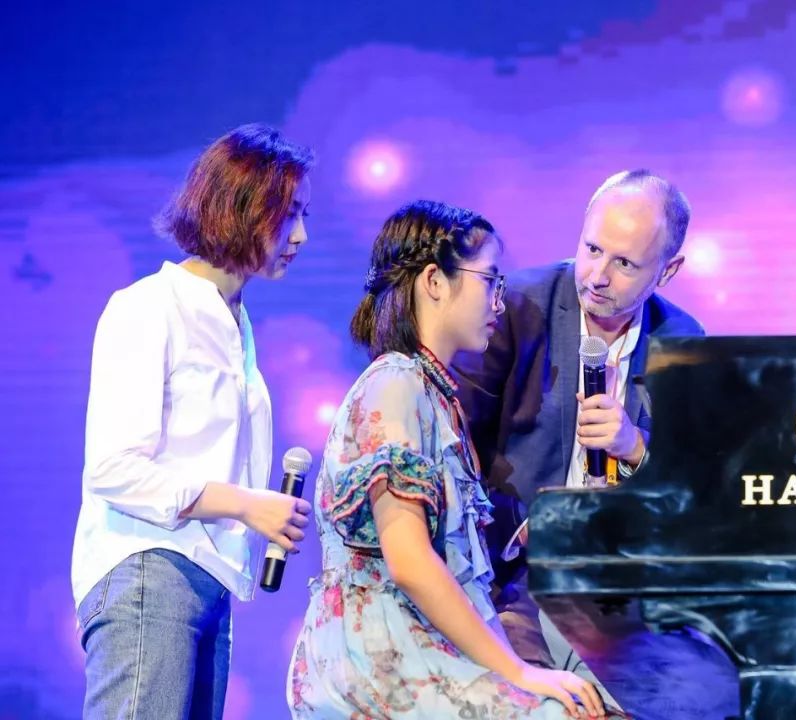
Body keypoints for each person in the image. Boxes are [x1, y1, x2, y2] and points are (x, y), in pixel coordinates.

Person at [288, 200, 610, 719]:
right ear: (435, 281)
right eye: (490, 281)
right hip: (381, 656)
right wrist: (519, 672)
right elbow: (410, 563)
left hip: (424, 643)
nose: (499, 303)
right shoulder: (395, 383)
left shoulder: (434, 396)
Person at [72, 123, 315, 720]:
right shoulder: (150, 306)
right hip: (149, 567)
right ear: (241, 207)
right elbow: (114, 468)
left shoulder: (237, 323)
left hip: (209, 580)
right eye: (288, 214)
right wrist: (246, 504)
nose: (301, 236)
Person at [452, 169, 705, 680]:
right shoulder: (516, 306)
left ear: (667, 271)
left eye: (624, 263)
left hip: (621, 586)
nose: (597, 276)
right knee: (537, 702)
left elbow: (694, 488)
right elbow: (455, 436)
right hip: (513, 578)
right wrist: (527, 524)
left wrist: (634, 447)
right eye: (592, 249)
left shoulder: (683, 341)